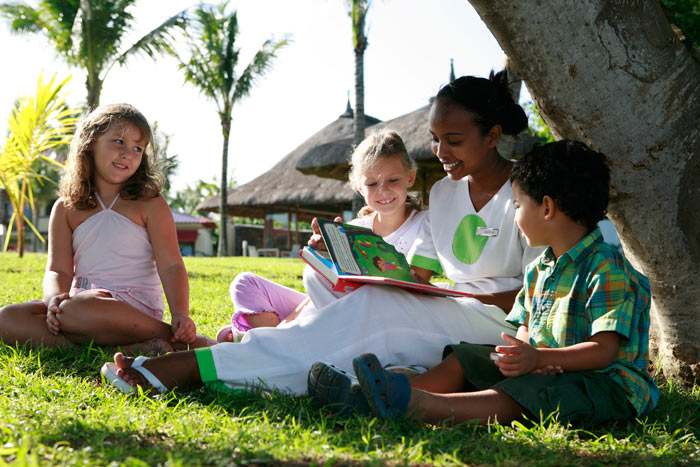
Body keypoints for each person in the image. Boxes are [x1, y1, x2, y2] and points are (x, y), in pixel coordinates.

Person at [101, 70, 540, 397]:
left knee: (371, 311)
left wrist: (451, 297)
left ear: (492, 136)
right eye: (435, 138)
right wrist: (345, 255)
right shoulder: (443, 193)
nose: (440, 151)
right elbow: (415, 275)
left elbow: (540, 297)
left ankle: (197, 367)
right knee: (351, 299)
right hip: (447, 309)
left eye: (453, 139)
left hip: (497, 323)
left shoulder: (529, 191)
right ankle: (231, 362)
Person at [327, 141, 658, 426]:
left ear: (546, 208)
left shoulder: (605, 267)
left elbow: (604, 351)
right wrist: (520, 354)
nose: (515, 214)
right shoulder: (539, 269)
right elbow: (526, 327)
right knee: (467, 358)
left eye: (517, 205)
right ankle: (383, 395)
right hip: (544, 368)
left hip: (604, 385)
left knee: (528, 393)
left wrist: (538, 360)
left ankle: (420, 407)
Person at [0, 103, 210, 353]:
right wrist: (54, 299)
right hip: (78, 308)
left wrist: (180, 314)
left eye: (137, 148)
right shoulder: (65, 208)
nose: (128, 154)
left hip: (132, 311)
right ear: (90, 143)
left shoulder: (150, 204)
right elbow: (58, 269)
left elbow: (172, 265)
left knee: (78, 310)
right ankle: (130, 348)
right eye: (119, 142)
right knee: (8, 318)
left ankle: (175, 338)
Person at [215, 129, 428, 342]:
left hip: (366, 321)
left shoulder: (424, 225)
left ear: (410, 177)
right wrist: (325, 254)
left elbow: (415, 286)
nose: (383, 190)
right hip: (327, 305)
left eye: (393, 180)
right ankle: (271, 336)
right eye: (372, 184)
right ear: (359, 187)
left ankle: (258, 339)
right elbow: (325, 289)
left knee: (317, 290)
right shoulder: (354, 228)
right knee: (244, 283)